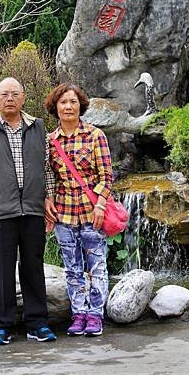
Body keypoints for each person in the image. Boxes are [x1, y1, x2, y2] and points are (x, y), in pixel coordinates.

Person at [0, 77, 57, 346]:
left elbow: (47, 168)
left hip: (32, 209)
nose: (9, 99)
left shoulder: (38, 127)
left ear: (23, 97)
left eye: (14, 94)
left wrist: (48, 199)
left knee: (33, 266)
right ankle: (2, 326)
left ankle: (37, 323)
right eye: (4, 94)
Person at [45, 83, 112, 337]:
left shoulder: (95, 136)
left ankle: (95, 315)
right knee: (72, 268)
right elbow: (49, 176)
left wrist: (100, 204)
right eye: (63, 102)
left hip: (92, 211)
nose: (68, 106)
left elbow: (106, 176)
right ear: (56, 107)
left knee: (97, 266)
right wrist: (47, 200)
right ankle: (78, 313)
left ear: (80, 105)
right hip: (63, 213)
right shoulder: (51, 141)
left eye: (73, 102)